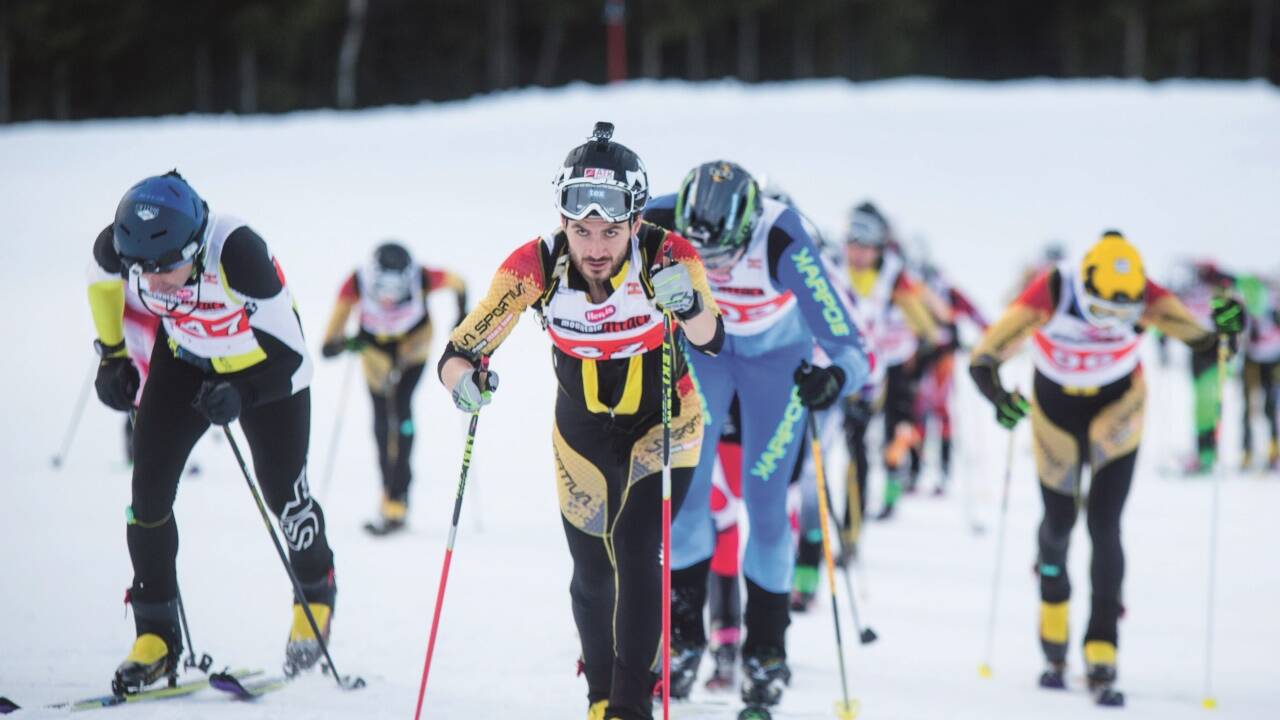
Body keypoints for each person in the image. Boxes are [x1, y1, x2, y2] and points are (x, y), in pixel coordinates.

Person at [437, 122, 723, 720]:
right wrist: (465, 383)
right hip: (582, 433)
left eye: (611, 231)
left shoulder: (668, 255)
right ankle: (599, 698)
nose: (595, 246)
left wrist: (688, 304)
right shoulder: (536, 266)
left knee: (638, 548)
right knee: (593, 573)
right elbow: (460, 350)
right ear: (564, 223)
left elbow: (713, 337)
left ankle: (629, 705)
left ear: (636, 223)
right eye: (582, 229)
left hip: (667, 422)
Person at [967, 230, 1244, 705]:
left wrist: (1228, 327)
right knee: (1059, 522)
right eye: (1100, 313)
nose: (1108, 324)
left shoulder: (1150, 296)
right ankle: (1052, 609)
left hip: (1119, 413)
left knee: (1105, 525)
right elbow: (983, 359)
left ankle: (1102, 642)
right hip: (1055, 414)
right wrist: (1000, 399)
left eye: (1123, 317)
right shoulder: (1052, 291)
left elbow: (1213, 348)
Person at [87, 171, 338, 692]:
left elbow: (297, 362)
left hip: (264, 372)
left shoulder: (238, 252)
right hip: (185, 362)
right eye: (143, 272)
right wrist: (111, 356)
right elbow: (99, 273)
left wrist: (242, 394)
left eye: (168, 269)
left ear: (196, 246)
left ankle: (315, 590)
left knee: (285, 496)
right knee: (147, 496)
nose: (154, 284)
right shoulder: (123, 248)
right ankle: (155, 636)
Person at [644, 161, 870, 708]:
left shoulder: (783, 237)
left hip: (775, 362)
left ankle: (767, 651)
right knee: (687, 495)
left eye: (724, 255)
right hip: (707, 354)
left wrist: (832, 380)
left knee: (766, 503)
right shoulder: (656, 219)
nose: (715, 267)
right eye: (704, 255)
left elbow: (851, 348)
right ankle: (682, 641)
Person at [320, 241, 467, 534]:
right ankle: (387, 491)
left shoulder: (422, 277)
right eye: (381, 289)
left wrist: (462, 316)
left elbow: (458, 282)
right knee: (381, 425)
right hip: (375, 360)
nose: (388, 298)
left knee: (401, 415)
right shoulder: (355, 282)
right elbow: (330, 341)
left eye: (396, 290)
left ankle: (398, 499)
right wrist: (343, 343)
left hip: (413, 353)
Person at [840, 201, 940, 522]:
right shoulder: (836, 269)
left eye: (865, 248)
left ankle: (891, 496)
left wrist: (921, 356)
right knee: (856, 444)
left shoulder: (896, 277)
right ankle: (852, 524)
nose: (857, 256)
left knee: (894, 434)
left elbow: (929, 326)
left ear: (879, 248)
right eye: (853, 246)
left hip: (896, 366)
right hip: (862, 366)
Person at [908, 262, 988, 494]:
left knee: (936, 411)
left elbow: (973, 312)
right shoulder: (913, 289)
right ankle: (916, 470)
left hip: (941, 358)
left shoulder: (948, 292)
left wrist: (989, 339)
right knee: (920, 412)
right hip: (920, 357)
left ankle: (939, 472)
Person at [1237, 273, 1280, 470]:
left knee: (1271, 407)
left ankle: (1274, 451)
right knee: (1248, 407)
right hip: (1252, 359)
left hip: (1273, 359)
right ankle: (1247, 451)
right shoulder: (1246, 302)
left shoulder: (1274, 305)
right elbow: (1239, 329)